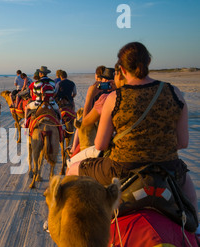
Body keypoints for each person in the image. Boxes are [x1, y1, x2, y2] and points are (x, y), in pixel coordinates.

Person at [68, 41, 197, 213]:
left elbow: (100, 145)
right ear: (148, 63)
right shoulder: (175, 92)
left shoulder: (114, 98)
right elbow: (183, 142)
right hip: (168, 167)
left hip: (122, 169)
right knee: (191, 200)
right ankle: (195, 231)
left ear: (121, 70)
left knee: (72, 169)